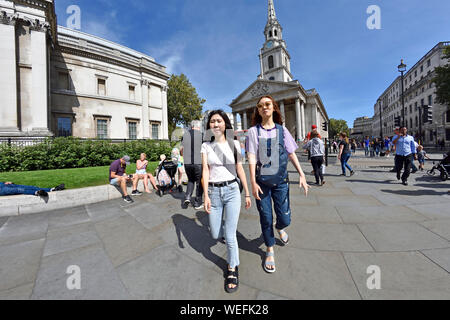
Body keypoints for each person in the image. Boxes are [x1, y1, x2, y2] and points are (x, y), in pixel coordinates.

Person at [247, 96, 309, 274]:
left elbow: (291, 154)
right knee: (266, 217)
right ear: (258, 111)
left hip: (281, 181)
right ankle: (269, 248)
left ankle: (280, 227)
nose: (264, 107)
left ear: (273, 107)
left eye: (267, 104)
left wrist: (302, 174)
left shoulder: (283, 130)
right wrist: (252, 181)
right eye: (260, 106)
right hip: (262, 182)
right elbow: (251, 157)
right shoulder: (253, 131)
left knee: (285, 218)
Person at [201, 110, 251, 293]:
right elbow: (205, 171)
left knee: (230, 236)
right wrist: (205, 195)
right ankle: (226, 239)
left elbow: (240, 168)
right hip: (213, 192)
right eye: (212, 121)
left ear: (225, 124)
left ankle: (232, 267)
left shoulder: (235, 144)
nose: (215, 124)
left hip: (231, 191)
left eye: (219, 121)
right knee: (215, 234)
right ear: (209, 126)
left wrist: (246, 193)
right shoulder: (206, 146)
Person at [181, 120, 204, 210]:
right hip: (197, 162)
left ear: (191, 126)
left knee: (190, 180)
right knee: (199, 182)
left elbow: (181, 150)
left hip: (187, 163)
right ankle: (198, 203)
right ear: (198, 126)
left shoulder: (185, 135)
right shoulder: (201, 135)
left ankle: (187, 197)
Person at [0, 181, 65, 197]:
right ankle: (37, 193)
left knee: (29, 187)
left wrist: (4, 182)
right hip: (1, 190)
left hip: (3, 185)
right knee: (18, 190)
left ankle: (52, 189)